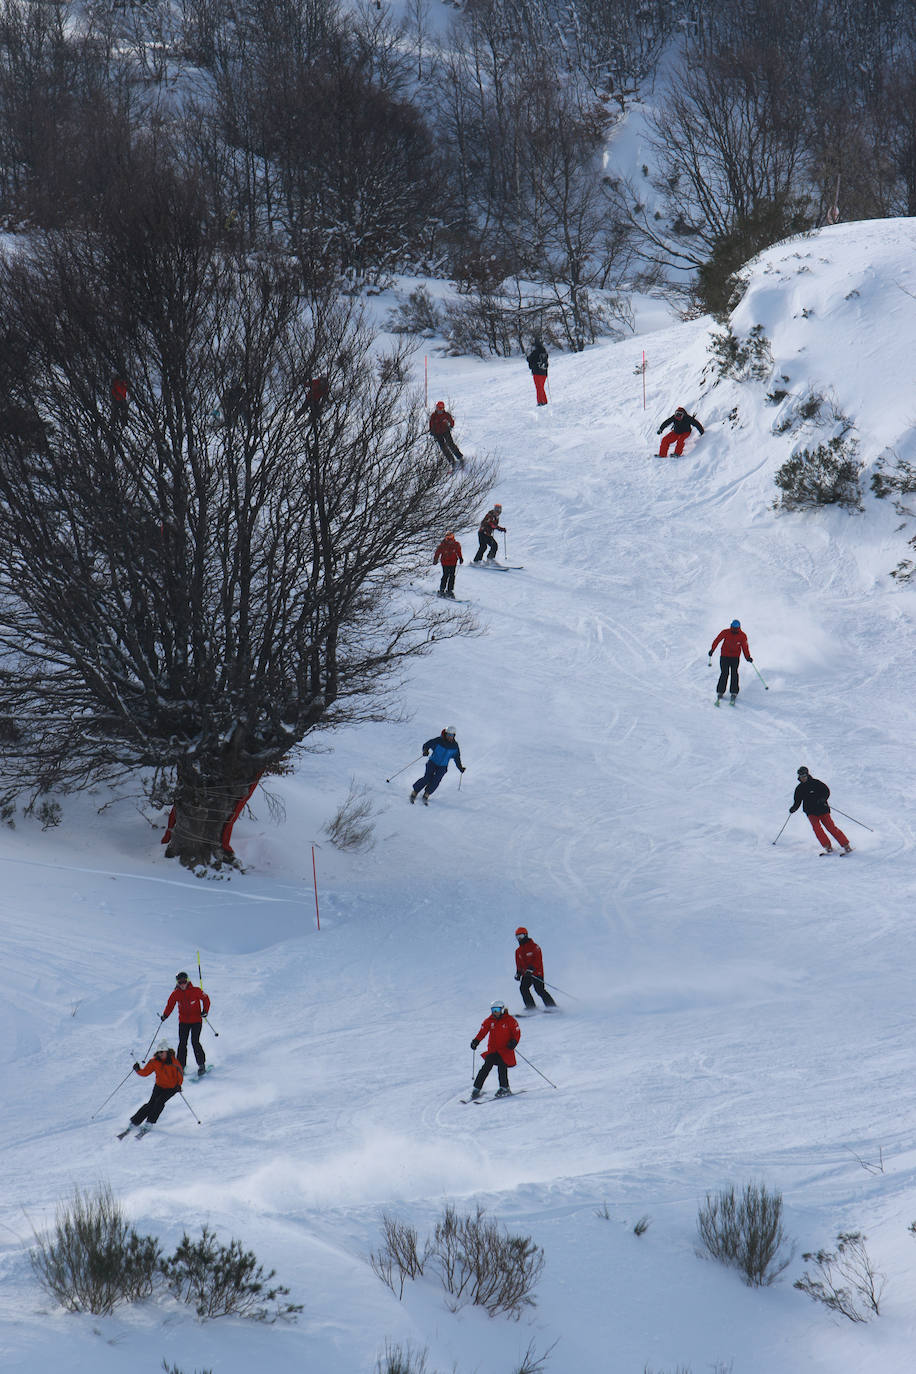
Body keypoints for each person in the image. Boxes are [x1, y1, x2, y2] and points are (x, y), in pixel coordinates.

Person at [119, 1042, 184, 1135]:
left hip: (172, 1087)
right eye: (159, 1052)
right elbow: (145, 1072)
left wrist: (178, 1084)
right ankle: (135, 1122)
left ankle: (149, 1122)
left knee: (159, 1102)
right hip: (159, 1086)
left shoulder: (174, 1062)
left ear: (167, 1052)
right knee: (151, 1104)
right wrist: (138, 1069)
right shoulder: (154, 1062)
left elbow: (180, 1074)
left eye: (162, 1052)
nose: (161, 1054)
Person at [789, 766, 852, 855]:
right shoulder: (799, 788)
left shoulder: (816, 783)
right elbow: (797, 801)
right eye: (801, 776)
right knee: (817, 829)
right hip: (810, 811)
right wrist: (794, 808)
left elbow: (826, 791)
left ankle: (846, 845)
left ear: (807, 774)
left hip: (822, 809)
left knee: (830, 827)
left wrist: (823, 799)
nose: (803, 777)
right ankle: (828, 847)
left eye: (804, 775)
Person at [161, 971, 211, 1076]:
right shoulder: (176, 994)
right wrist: (165, 1015)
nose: (182, 984)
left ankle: (201, 1065)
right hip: (183, 1022)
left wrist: (205, 1011)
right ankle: (181, 1067)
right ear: (177, 983)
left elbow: (206, 999)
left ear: (187, 980)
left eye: (184, 981)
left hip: (196, 1021)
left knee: (194, 1042)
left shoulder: (196, 990)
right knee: (182, 1043)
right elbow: (170, 1005)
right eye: (180, 982)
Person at [469, 1000, 521, 1098]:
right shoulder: (489, 1020)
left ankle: (505, 1088)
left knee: (502, 1067)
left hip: (505, 1050)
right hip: (493, 1049)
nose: (495, 1012)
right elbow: (482, 1032)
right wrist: (476, 1041)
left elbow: (516, 1033)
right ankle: (476, 1088)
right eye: (493, 1010)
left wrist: (513, 1042)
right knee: (486, 1067)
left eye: (497, 1010)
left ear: (502, 1009)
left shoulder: (510, 1020)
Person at [410, 726, 466, 804]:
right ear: (446, 734)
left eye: (452, 735)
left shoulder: (455, 746)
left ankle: (427, 794)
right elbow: (427, 744)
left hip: (443, 766)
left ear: (454, 736)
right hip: (433, 762)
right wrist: (425, 751)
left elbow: (457, 758)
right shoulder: (439, 741)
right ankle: (415, 791)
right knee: (427, 778)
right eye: (449, 735)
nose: (450, 737)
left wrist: (460, 768)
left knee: (436, 780)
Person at [709, 619, 753, 704]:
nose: (734, 630)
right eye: (733, 628)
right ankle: (720, 691)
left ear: (739, 628)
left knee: (734, 673)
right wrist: (712, 650)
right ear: (731, 626)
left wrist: (748, 657)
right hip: (724, 656)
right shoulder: (726, 632)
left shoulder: (742, 635)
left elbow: (745, 647)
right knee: (724, 673)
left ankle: (734, 692)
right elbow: (717, 640)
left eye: (736, 629)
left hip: (735, 657)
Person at [514, 927, 556, 1009]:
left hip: (536, 973)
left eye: (521, 936)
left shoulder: (534, 947)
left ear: (526, 935)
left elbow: (538, 960)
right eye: (517, 937)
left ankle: (552, 1007)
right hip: (526, 974)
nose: (519, 938)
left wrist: (531, 968)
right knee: (523, 988)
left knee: (539, 990)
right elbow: (519, 964)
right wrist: (518, 973)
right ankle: (531, 1007)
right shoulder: (518, 951)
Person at [433, 532, 463, 598]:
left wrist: (460, 558)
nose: (450, 540)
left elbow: (459, 552)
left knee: (452, 576)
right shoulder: (442, 545)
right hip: (445, 562)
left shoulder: (456, 544)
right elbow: (437, 552)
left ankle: (450, 590)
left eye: (451, 538)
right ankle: (442, 589)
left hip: (453, 562)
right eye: (448, 538)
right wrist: (435, 559)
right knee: (445, 575)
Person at [526, 338, 549, 405]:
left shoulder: (535, 352)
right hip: (544, 372)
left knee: (538, 388)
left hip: (537, 372)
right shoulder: (544, 351)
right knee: (541, 387)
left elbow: (529, 359)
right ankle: (544, 401)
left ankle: (540, 402)